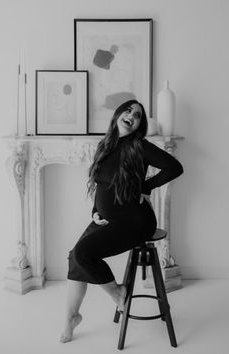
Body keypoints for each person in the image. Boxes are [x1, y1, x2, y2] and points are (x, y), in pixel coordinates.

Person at [60, 99, 183, 343]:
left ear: (139, 125)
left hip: (134, 220)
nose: (132, 115)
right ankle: (71, 318)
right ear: (118, 115)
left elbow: (174, 167)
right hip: (108, 218)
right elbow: (99, 184)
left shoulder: (140, 146)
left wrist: (145, 187)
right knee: (76, 256)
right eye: (128, 110)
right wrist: (95, 211)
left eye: (137, 115)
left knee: (83, 252)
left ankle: (117, 293)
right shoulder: (105, 145)